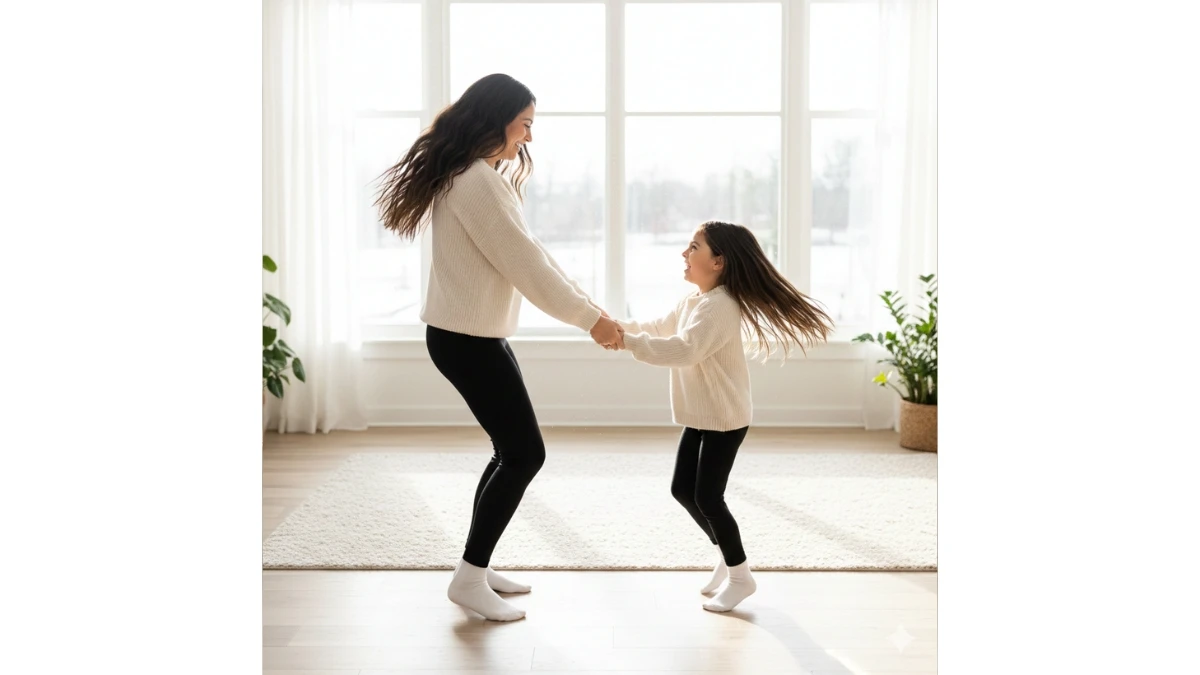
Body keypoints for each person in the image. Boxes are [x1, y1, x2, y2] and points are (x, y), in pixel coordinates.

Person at [373, 73, 624, 622]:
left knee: (511, 452)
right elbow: (527, 266)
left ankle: (475, 569)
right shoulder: (476, 182)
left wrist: (594, 312)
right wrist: (590, 321)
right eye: (525, 124)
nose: (529, 137)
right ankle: (468, 577)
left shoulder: (476, 175)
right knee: (524, 454)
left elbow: (532, 253)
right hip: (465, 341)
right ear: (497, 119)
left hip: (472, 337)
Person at [611, 220, 834, 612]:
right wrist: (614, 328)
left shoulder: (720, 307)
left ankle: (741, 577)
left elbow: (684, 350)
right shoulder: (694, 301)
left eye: (693, 247)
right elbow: (659, 328)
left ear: (718, 261)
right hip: (702, 415)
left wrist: (626, 342)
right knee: (683, 490)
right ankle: (727, 554)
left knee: (708, 498)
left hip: (725, 418)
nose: (684, 253)